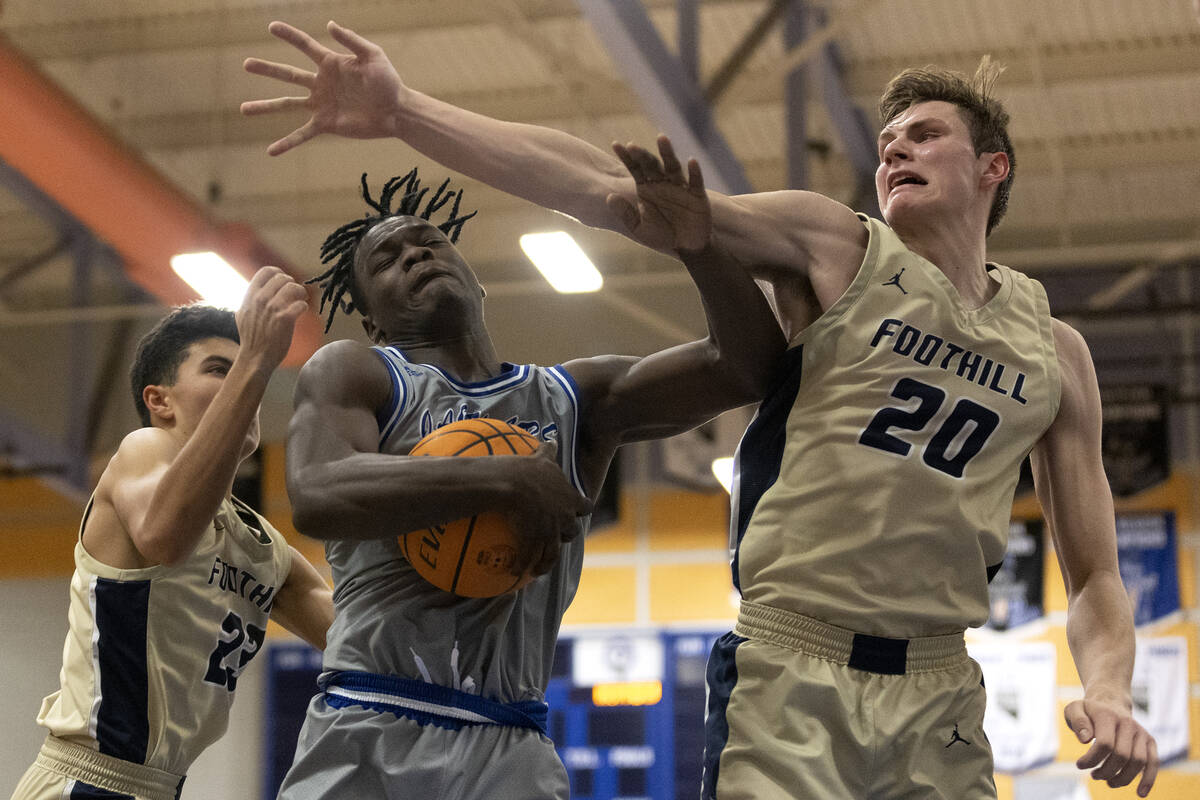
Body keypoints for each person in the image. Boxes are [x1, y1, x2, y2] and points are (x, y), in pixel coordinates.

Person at [242, 22, 1159, 798]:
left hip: (942, 680)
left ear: (993, 165)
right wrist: (407, 112)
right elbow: (607, 188)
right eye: (885, 142)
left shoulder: (1055, 351)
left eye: (922, 135)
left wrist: (1111, 689)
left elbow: (1096, 577)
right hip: (796, 659)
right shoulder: (840, 246)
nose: (893, 151)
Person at [271, 144, 780, 799]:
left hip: (509, 744)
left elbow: (746, 368)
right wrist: (504, 479)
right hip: (367, 718)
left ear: (477, 281)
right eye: (388, 260)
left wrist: (701, 248)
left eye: (429, 243)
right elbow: (316, 493)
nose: (416, 255)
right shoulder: (359, 371)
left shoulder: (575, 398)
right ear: (372, 320)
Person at [10, 268, 334, 800]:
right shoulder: (144, 449)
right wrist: (256, 358)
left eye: (242, 369)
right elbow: (164, 535)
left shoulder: (260, 543)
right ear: (160, 401)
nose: (240, 385)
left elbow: (354, 638)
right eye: (217, 369)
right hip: (84, 780)